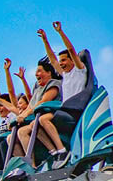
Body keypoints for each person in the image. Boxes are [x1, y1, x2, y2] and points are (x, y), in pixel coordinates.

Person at [31, 21, 88, 160]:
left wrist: (60, 32)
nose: (61, 63)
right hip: (64, 111)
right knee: (34, 125)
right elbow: (52, 58)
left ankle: (61, 150)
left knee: (43, 119)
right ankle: (53, 151)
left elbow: (71, 49)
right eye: (60, 61)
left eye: (64, 60)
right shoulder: (65, 75)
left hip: (75, 112)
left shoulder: (80, 71)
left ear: (72, 60)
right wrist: (45, 40)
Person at [14, 57, 62, 162]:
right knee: (21, 132)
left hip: (54, 114)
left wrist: (25, 115)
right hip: (38, 118)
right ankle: (31, 165)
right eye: (36, 72)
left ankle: (58, 150)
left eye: (39, 71)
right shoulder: (38, 89)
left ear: (49, 72)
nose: (36, 74)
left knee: (35, 123)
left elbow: (44, 101)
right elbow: (31, 106)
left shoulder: (54, 83)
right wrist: (21, 116)